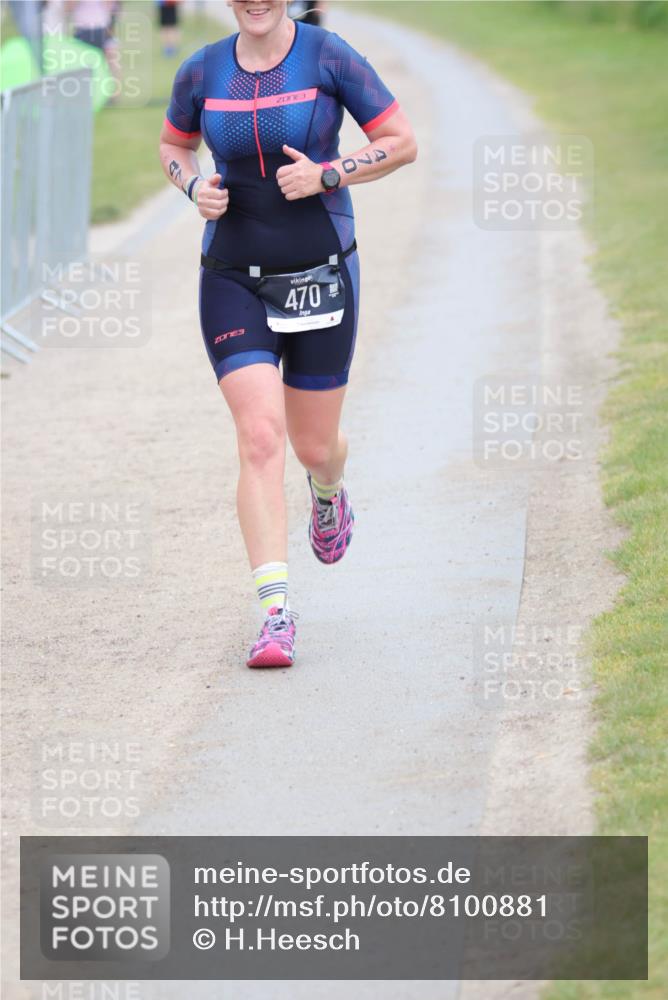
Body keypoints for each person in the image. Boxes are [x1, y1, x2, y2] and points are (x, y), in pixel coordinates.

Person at [159, 0, 417, 668]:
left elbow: (401, 141)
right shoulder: (201, 70)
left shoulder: (329, 56)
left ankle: (328, 493)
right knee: (260, 435)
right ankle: (275, 614)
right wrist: (193, 188)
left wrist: (329, 173)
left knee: (312, 444)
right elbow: (173, 145)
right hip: (231, 275)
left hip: (321, 271)